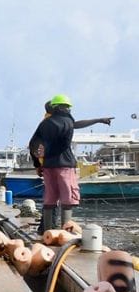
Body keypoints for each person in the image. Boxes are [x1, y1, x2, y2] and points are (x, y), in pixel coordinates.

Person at [29, 94, 113, 232]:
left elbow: (33, 144)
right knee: (67, 199)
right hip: (65, 165)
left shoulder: (45, 123)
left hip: (49, 166)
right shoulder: (67, 122)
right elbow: (72, 131)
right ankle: (65, 232)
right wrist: (99, 120)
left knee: (49, 199)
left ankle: (47, 232)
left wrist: (38, 164)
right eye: (68, 108)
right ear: (65, 108)